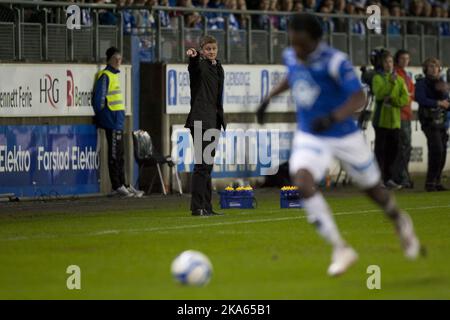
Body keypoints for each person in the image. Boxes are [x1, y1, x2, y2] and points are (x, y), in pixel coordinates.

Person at [256, 13, 421, 277]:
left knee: (373, 191)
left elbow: (358, 96)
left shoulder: (334, 61)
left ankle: (400, 220)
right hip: (311, 134)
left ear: (315, 40)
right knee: (303, 180)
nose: (295, 49)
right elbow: (293, 75)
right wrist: (269, 98)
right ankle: (340, 248)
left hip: (344, 135)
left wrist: (334, 117)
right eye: (293, 43)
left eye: (301, 44)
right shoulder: (292, 55)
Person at [92, 47, 144, 198]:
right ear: (109, 59)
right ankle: (117, 185)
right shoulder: (105, 75)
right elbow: (99, 101)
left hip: (118, 121)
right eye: (116, 58)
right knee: (115, 155)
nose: (118, 61)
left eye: (120, 59)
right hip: (111, 121)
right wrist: (103, 117)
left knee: (120, 155)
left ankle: (124, 184)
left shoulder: (114, 76)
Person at [185, 36, 226, 216]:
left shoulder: (218, 68)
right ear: (202, 50)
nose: (211, 51)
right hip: (200, 120)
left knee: (207, 166)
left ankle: (207, 206)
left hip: (213, 120)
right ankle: (197, 207)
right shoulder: (200, 65)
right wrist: (193, 57)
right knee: (202, 165)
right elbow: (193, 67)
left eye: (213, 48)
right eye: (207, 49)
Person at [371, 50, 409, 189]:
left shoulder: (399, 79)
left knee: (393, 152)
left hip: (395, 122)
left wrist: (394, 101)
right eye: (386, 61)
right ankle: (377, 180)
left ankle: (388, 179)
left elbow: (405, 98)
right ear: (382, 63)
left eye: (391, 61)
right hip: (381, 121)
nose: (389, 64)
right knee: (380, 152)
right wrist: (391, 84)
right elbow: (380, 94)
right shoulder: (377, 78)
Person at [415, 57, 450, 191]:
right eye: (431, 66)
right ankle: (430, 182)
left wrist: (444, 94)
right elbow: (420, 98)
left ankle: (436, 181)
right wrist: (438, 103)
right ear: (425, 69)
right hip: (428, 120)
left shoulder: (441, 83)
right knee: (437, 149)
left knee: (442, 151)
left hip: (442, 120)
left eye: (436, 66)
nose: (434, 68)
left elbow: (446, 100)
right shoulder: (421, 83)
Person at [393, 49, 415, 189]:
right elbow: (405, 94)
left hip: (406, 114)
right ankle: (401, 177)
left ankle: (401, 176)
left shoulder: (406, 75)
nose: (405, 61)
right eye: (402, 58)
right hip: (399, 115)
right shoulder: (396, 73)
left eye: (407, 58)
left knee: (405, 147)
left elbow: (411, 93)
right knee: (403, 147)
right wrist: (407, 95)